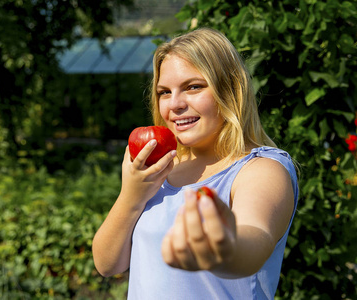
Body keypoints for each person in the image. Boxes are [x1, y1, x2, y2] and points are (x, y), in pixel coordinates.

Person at [92, 27, 299, 300]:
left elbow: (255, 236)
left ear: (230, 89)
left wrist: (225, 248)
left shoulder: (260, 169)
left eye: (193, 87)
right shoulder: (161, 169)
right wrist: (131, 196)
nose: (175, 104)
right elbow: (107, 265)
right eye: (164, 92)